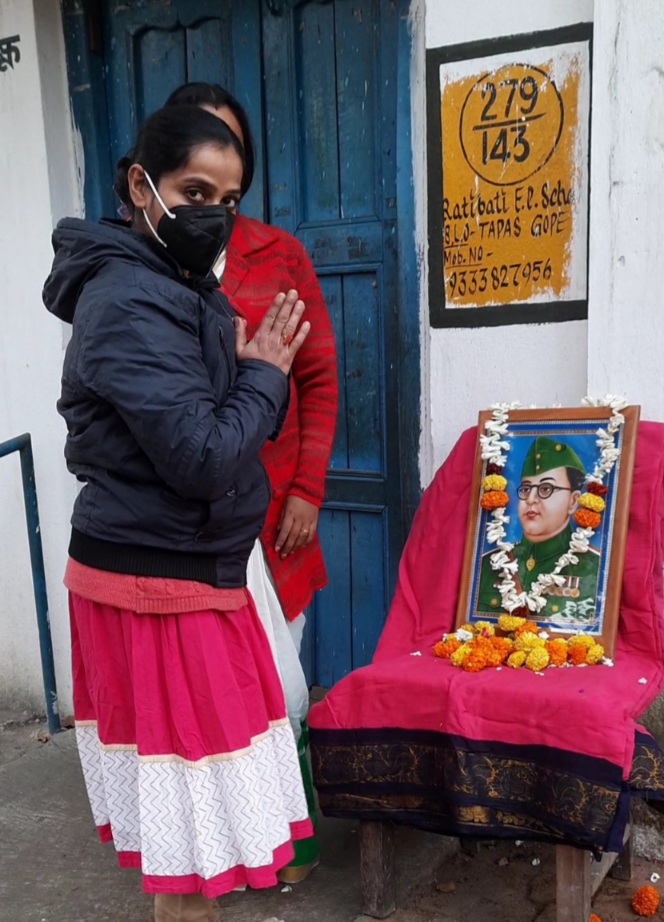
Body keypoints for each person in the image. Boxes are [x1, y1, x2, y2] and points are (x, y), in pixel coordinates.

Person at [43, 105, 314, 922]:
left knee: (207, 845)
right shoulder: (129, 300)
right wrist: (263, 374)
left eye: (228, 200)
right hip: (157, 585)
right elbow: (202, 457)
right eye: (195, 192)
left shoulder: (173, 285)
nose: (214, 215)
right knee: (195, 856)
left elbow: (208, 431)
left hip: (187, 568)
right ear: (141, 186)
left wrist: (249, 373)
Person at [163, 82, 339, 883]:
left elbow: (319, 378)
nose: (215, 198)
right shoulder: (145, 263)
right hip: (185, 524)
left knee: (282, 686)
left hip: (274, 521)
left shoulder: (279, 255)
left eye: (230, 153)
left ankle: (289, 842)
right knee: (210, 696)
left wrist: (306, 491)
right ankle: (223, 850)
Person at [477, 437, 601, 622]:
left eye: (546, 488)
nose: (530, 499)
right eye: (526, 489)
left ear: (573, 501)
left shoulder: (595, 568)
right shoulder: (489, 565)